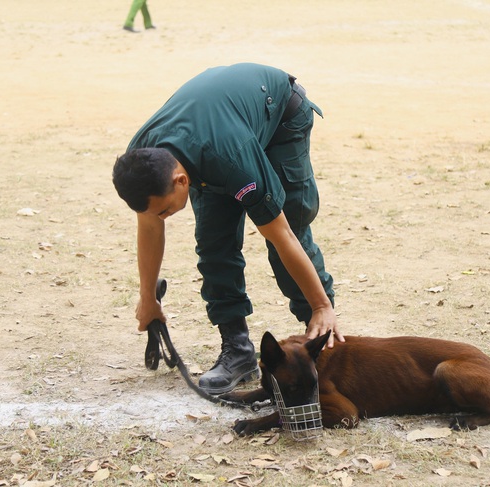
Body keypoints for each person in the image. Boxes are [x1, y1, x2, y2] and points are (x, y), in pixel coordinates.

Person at [112, 63, 344, 394]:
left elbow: (283, 237)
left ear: (181, 181)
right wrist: (148, 298)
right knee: (213, 243)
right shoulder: (145, 158)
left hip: (279, 117)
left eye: (165, 210)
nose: (162, 217)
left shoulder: (230, 158)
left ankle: (321, 337)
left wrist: (322, 306)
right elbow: (149, 226)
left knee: (288, 225)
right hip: (219, 131)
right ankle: (237, 349)